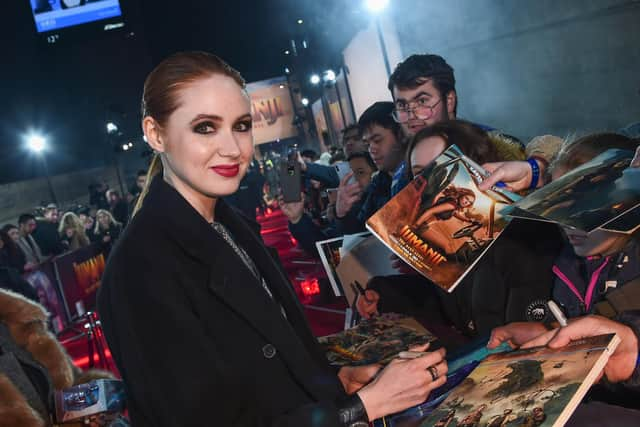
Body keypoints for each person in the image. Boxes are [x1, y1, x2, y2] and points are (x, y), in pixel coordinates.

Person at [97, 51, 448, 427]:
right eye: (205, 128)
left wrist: (332, 382)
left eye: (242, 125)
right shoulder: (140, 267)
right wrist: (361, 407)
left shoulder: (231, 224)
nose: (233, 148)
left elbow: (257, 366)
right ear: (155, 133)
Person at [487, 133, 640, 351]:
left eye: (584, 205)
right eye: (559, 203)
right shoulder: (566, 262)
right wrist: (548, 330)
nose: (568, 223)